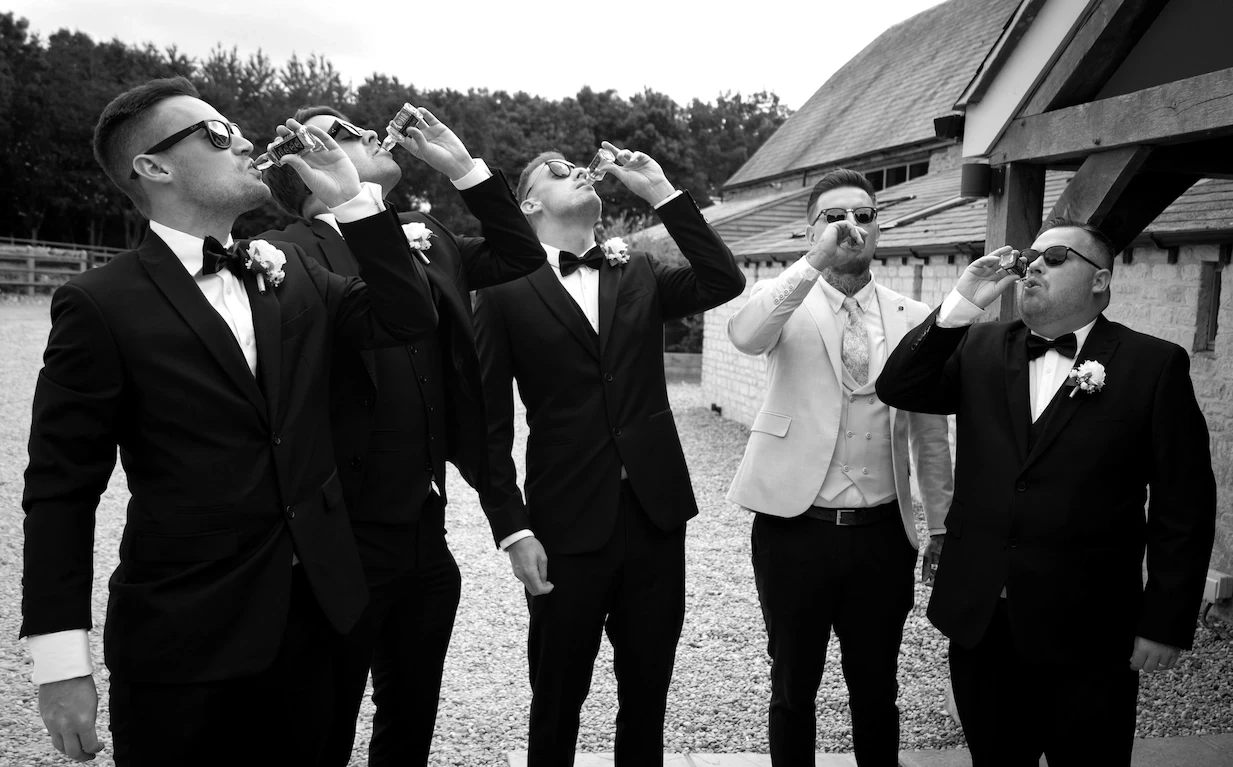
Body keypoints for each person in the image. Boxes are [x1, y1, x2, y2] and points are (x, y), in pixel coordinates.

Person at [21, 76, 439, 766]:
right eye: (215, 133)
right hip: (184, 644)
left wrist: (353, 199)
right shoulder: (98, 304)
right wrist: (60, 661)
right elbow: (62, 489)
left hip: (320, 625)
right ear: (152, 167)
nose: (243, 139)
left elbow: (408, 316)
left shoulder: (295, 270)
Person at [260, 104, 545, 766]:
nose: (370, 135)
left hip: (426, 531)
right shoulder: (289, 253)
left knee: (410, 718)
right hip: (341, 537)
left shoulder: (425, 232)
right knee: (323, 723)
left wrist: (461, 167)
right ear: (306, 167)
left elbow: (519, 252)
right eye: (348, 135)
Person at [876, 218, 1216, 766]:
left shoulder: (1153, 365)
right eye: (1031, 257)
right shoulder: (979, 345)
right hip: (982, 623)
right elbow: (898, 387)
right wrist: (960, 305)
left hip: (1091, 631)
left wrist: (1165, 621)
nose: (1033, 266)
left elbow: (1185, 504)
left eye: (1055, 257)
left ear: (1100, 281)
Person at [473, 143, 744, 766]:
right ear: (529, 203)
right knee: (558, 696)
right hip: (565, 522)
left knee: (648, 694)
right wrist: (513, 529)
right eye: (559, 170)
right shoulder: (503, 289)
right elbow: (488, 428)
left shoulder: (639, 269)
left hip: (654, 513)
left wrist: (661, 192)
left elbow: (722, 280)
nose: (577, 171)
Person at [726, 169, 953, 767]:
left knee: (878, 689)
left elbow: (930, 432)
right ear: (812, 230)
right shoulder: (784, 303)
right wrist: (810, 263)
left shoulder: (913, 314)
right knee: (792, 686)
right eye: (835, 216)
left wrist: (943, 524)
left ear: (880, 229)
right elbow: (745, 335)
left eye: (864, 215)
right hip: (794, 529)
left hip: (882, 534)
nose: (852, 226)